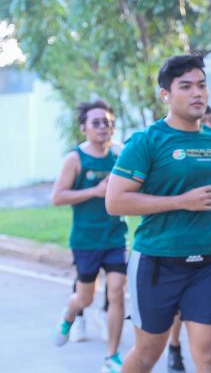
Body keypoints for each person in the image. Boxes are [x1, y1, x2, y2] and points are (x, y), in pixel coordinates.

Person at [106, 54, 211, 373]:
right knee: (146, 354)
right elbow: (115, 202)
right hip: (157, 262)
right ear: (166, 95)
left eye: (201, 85)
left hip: (207, 262)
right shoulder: (146, 141)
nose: (197, 93)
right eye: (186, 86)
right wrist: (181, 201)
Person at [51, 100, 128, 373]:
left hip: (115, 237)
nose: (103, 127)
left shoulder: (120, 156)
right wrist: (94, 192)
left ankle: (112, 356)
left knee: (117, 291)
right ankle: (70, 314)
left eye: (107, 122)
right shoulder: (76, 159)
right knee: (85, 297)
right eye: (96, 122)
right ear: (84, 127)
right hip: (86, 240)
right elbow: (57, 196)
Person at [166, 105, 211, 373]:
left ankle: (208, 359)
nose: (206, 124)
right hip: (173, 247)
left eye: (210, 120)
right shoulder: (170, 149)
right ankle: (174, 346)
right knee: (177, 309)